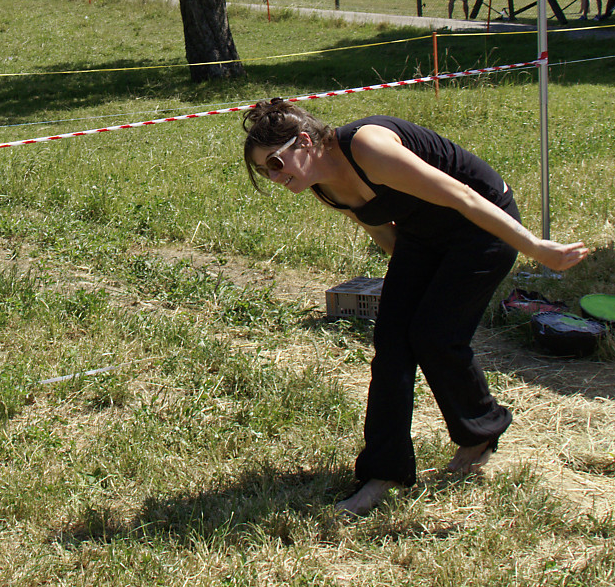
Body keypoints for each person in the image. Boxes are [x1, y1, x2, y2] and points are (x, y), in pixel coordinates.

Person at [242, 99, 589, 514]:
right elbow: (378, 228)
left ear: (304, 142)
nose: (274, 177)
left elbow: (462, 196)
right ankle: (383, 473)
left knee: (434, 335)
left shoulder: (368, 147)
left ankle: (480, 431)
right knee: (392, 343)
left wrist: (535, 247)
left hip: (481, 227)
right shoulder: (322, 182)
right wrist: (411, 288)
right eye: (264, 171)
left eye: (275, 163)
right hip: (422, 237)